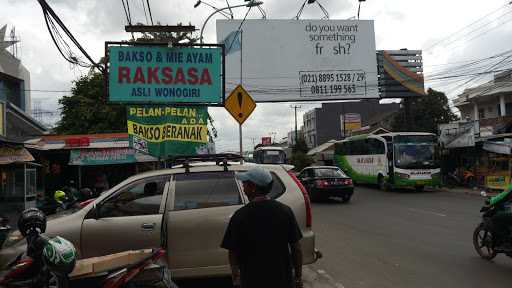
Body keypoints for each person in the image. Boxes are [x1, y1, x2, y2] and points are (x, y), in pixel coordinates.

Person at [221, 167, 303, 288]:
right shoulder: (285, 211)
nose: (243, 189)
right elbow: (296, 248)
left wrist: (236, 278)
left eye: (245, 184)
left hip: (252, 281)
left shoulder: (240, 216)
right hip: (282, 281)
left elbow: (232, 251)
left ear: (253, 188)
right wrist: (298, 277)